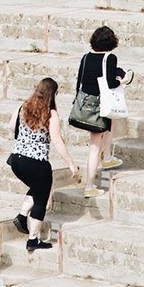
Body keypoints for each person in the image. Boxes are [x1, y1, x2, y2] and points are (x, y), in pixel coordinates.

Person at [8, 77, 85, 251]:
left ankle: (21, 215)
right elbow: (57, 142)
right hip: (37, 163)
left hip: (16, 160)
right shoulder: (50, 114)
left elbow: (11, 126)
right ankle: (33, 239)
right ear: (53, 94)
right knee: (41, 200)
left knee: (38, 188)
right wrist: (71, 164)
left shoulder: (23, 106)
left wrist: (27, 136)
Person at [70, 26, 128, 194]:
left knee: (110, 125)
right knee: (94, 148)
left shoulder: (86, 57)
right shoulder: (110, 58)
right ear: (111, 42)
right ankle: (89, 186)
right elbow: (110, 83)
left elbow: (84, 79)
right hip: (98, 107)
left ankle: (108, 157)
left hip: (85, 103)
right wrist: (122, 81)